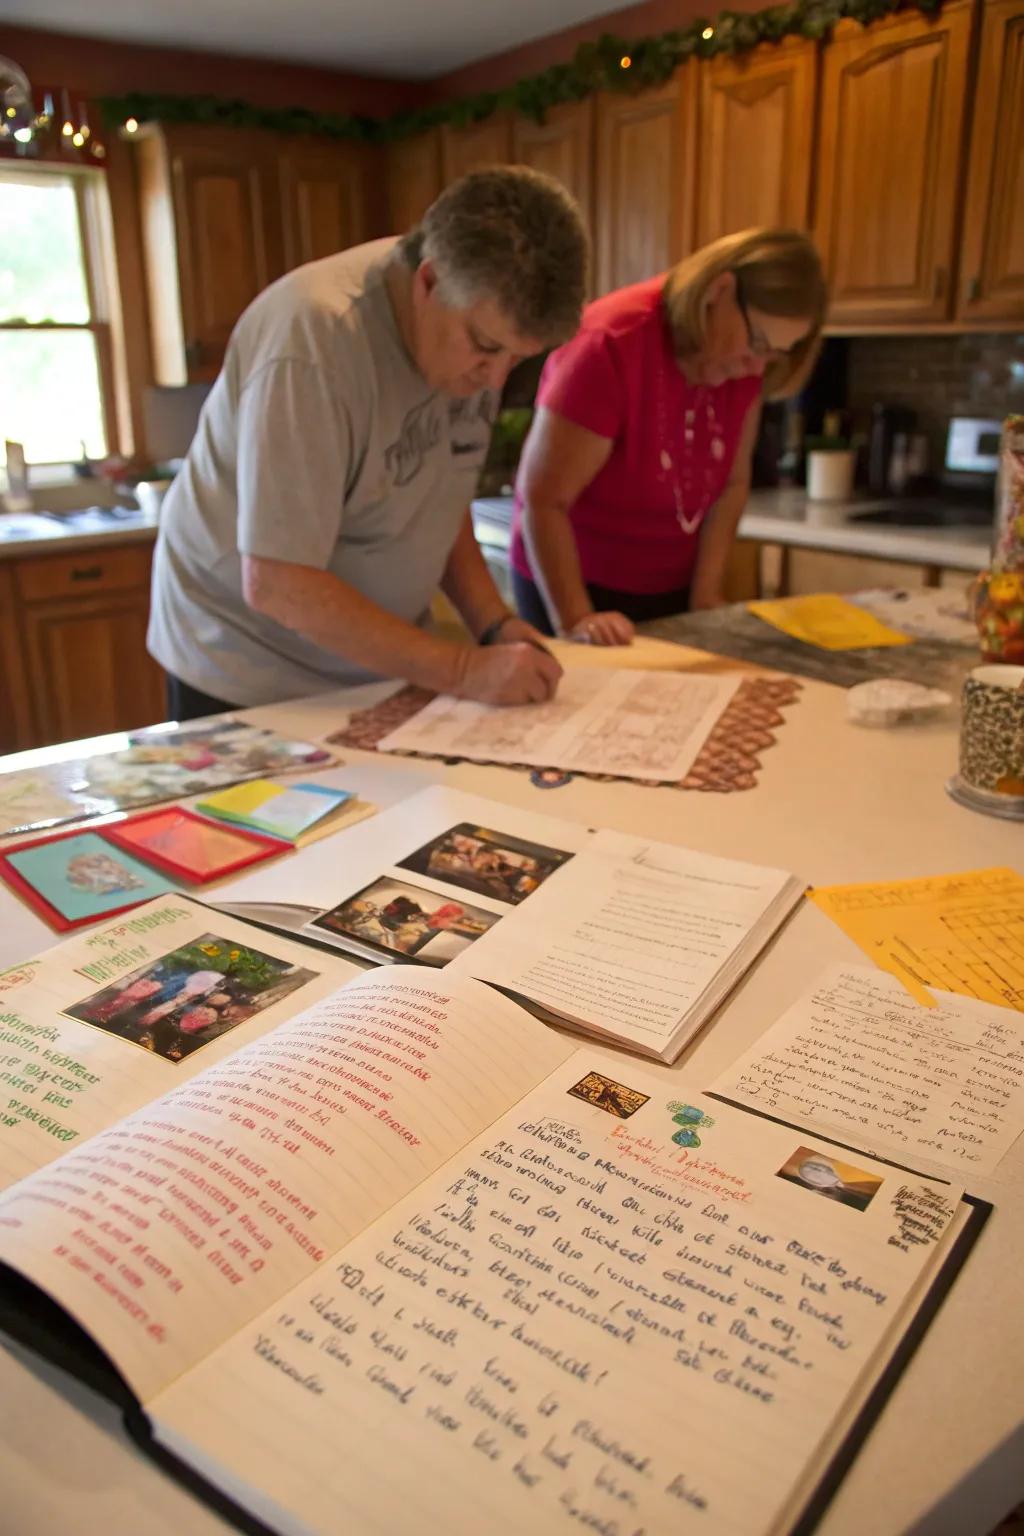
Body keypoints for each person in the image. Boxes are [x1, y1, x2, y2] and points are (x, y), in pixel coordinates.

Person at [148, 169, 589, 716]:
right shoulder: (313, 344)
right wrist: (460, 669)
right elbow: (278, 582)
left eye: (517, 359)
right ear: (428, 283)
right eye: (484, 346)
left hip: (369, 664)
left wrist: (493, 625)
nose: (496, 380)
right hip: (247, 665)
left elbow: (438, 502)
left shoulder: (465, 335)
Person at [511, 228, 827, 642]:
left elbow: (731, 484)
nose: (757, 368)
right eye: (758, 342)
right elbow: (543, 499)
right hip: (576, 584)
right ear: (720, 291)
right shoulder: (610, 345)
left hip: (671, 588)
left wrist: (706, 594)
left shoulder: (743, 364)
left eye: (775, 354)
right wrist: (577, 619)